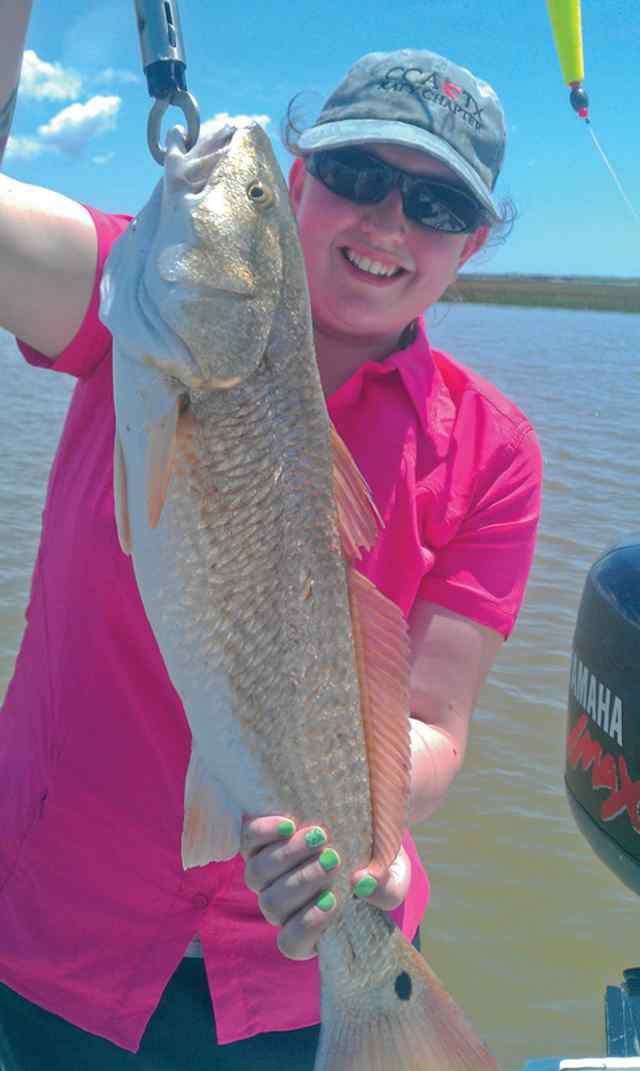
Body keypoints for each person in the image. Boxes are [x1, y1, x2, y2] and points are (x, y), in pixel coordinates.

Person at [0, 4, 542, 1068]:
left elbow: (433, 720)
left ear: (469, 245)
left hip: (305, 967)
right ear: (297, 185)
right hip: (55, 934)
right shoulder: (133, 295)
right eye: (354, 175)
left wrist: (373, 853)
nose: (386, 222)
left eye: (432, 202)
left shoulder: (493, 449)